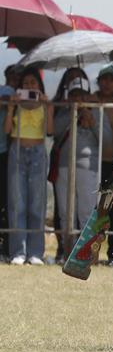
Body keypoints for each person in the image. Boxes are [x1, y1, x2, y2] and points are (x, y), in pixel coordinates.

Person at [4, 67, 54, 265]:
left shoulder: (44, 104)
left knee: (36, 204)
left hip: (38, 153)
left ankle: (35, 252)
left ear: (39, 86)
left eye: (33, 83)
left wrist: (48, 107)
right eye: (25, 84)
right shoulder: (16, 105)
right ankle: (18, 251)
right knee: (17, 204)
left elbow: (50, 131)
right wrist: (10, 108)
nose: (29, 87)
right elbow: (7, 130)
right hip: (17, 151)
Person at [52, 76, 101, 260]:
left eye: (80, 94)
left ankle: (87, 254)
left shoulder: (97, 112)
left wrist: (91, 119)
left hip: (88, 167)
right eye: (73, 94)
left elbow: (107, 141)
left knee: (86, 212)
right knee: (66, 213)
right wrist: (73, 113)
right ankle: (68, 252)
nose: (77, 97)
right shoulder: (64, 112)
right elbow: (54, 132)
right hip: (64, 167)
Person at [94, 65, 113, 262]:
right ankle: (89, 250)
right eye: (104, 79)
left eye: (111, 80)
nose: (107, 83)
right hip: (92, 164)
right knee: (93, 209)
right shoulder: (89, 100)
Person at [0, 65, 19, 261]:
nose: (15, 78)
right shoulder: (7, 92)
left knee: (7, 201)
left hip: (7, 150)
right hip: (6, 149)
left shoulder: (17, 95)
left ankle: (6, 244)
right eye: (12, 75)